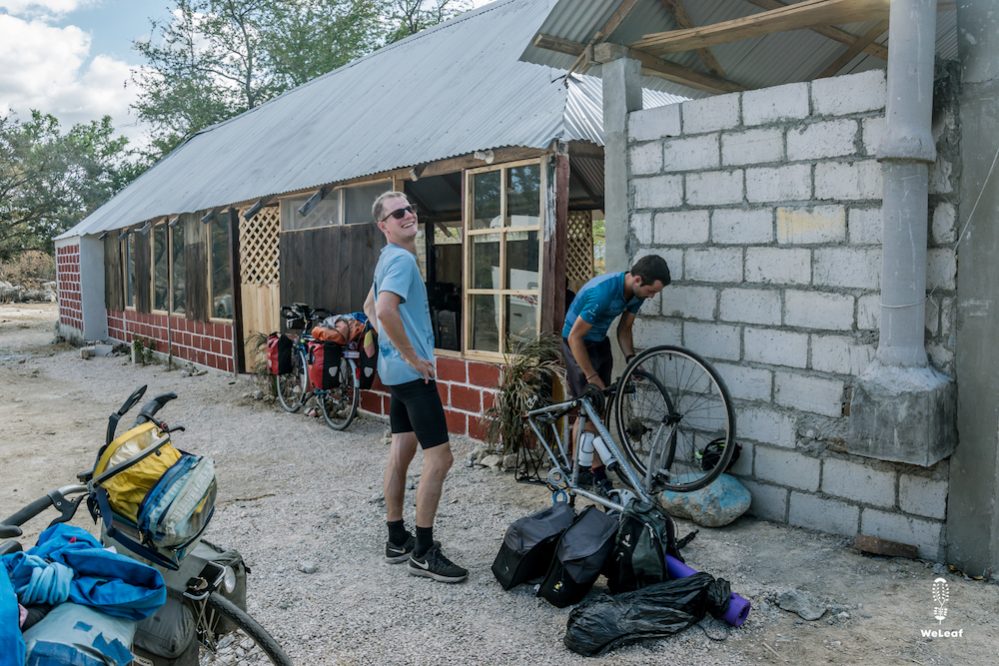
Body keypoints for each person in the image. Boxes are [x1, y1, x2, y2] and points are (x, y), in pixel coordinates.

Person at [362, 191, 467, 584]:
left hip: (393, 376)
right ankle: (423, 552)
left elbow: (370, 307)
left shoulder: (387, 258)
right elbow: (385, 310)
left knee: (402, 449)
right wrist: (410, 355)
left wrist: (389, 348)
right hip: (412, 376)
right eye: (398, 212)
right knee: (440, 459)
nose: (408, 215)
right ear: (384, 225)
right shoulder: (402, 260)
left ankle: (395, 538)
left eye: (410, 209)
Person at [562, 255, 671, 493]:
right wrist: (591, 377)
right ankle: (593, 471)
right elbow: (574, 337)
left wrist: (632, 360)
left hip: (600, 342)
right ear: (638, 279)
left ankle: (580, 467)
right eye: (651, 291)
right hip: (576, 345)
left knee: (597, 410)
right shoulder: (603, 292)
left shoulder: (636, 293)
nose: (652, 296)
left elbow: (624, 329)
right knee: (589, 409)